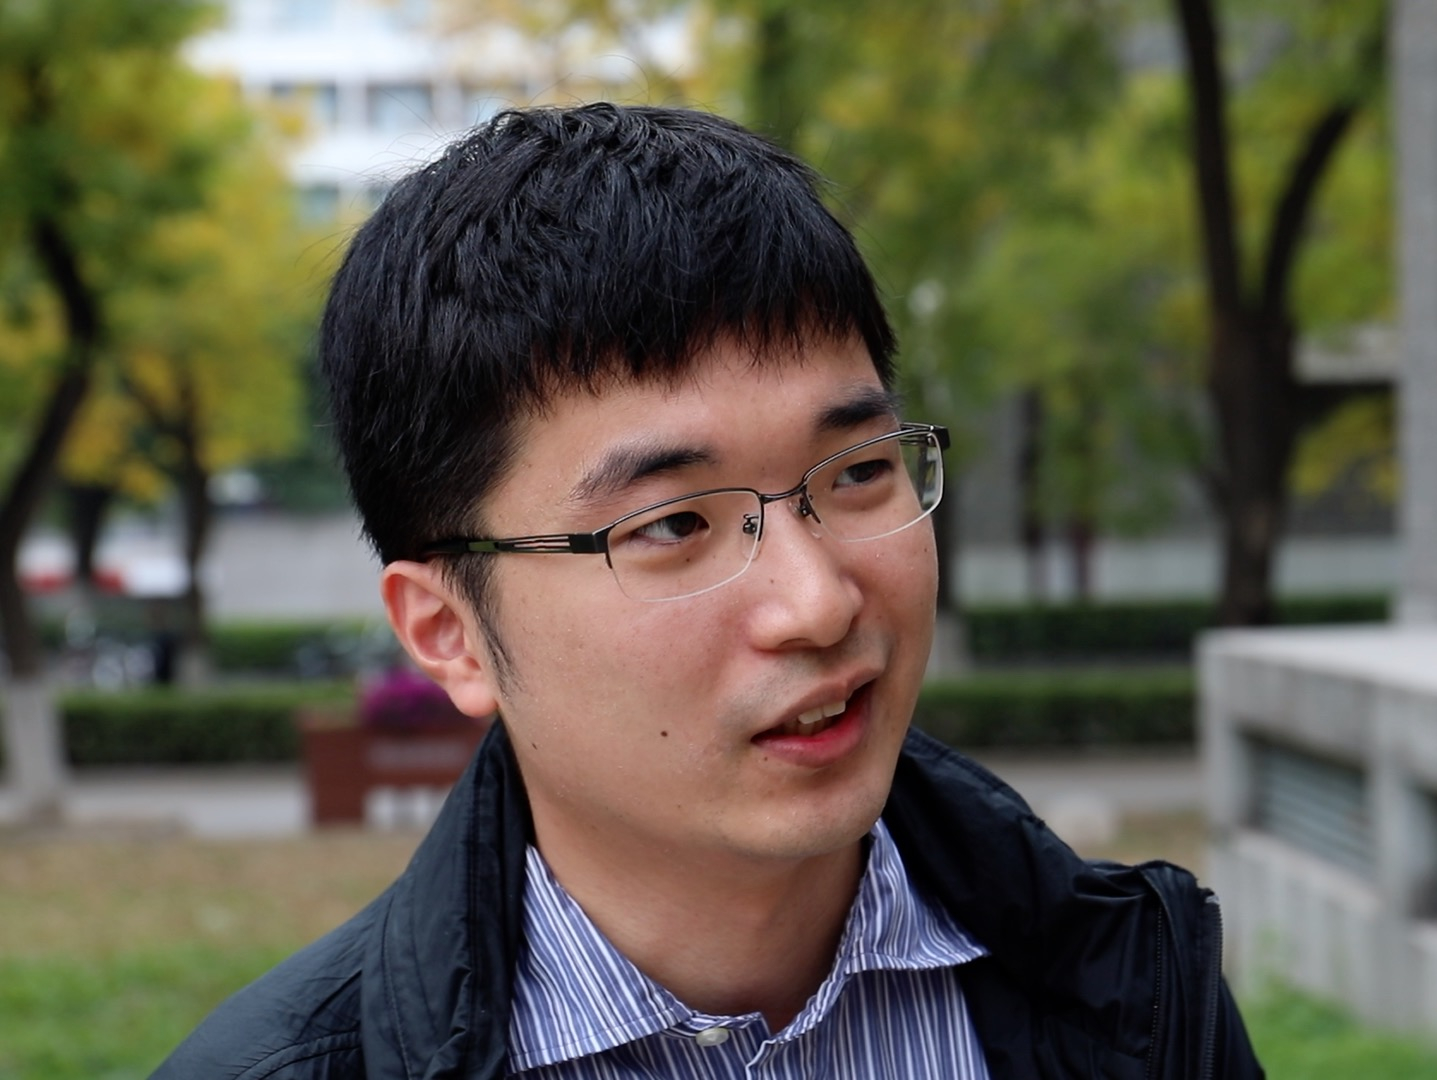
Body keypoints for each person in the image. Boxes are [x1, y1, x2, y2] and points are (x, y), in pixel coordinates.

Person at [154, 103, 1261, 1079]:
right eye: (675, 524)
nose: (818, 603)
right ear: (451, 635)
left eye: (858, 473)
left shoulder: (1134, 991)